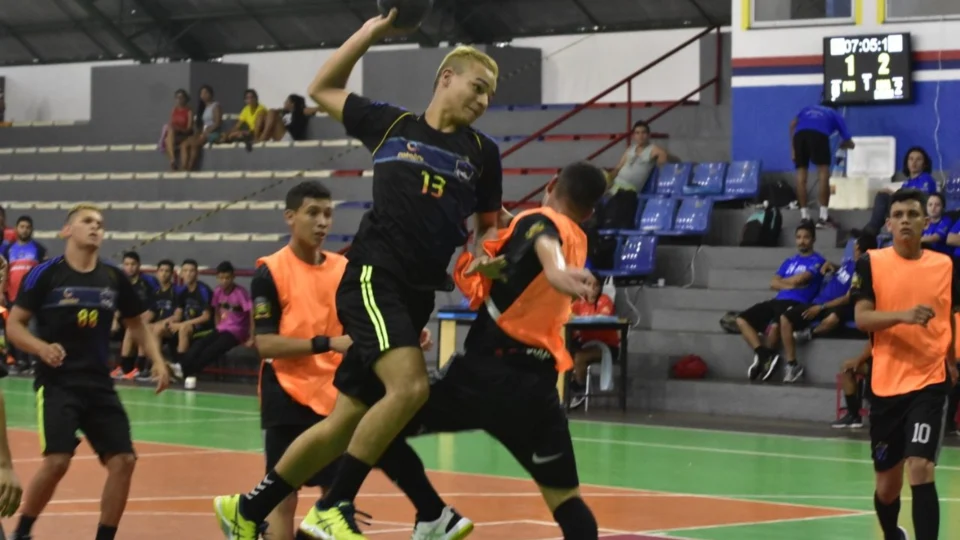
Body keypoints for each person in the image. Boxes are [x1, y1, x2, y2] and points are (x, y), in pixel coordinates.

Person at [211, 9, 504, 539]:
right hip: (373, 277)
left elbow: (486, 227)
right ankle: (334, 504)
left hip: (418, 294)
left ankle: (247, 509)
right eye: (477, 87)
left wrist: (486, 255)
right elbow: (323, 87)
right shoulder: (392, 125)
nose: (483, 101)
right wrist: (374, 32)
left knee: (346, 419)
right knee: (411, 387)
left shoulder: (483, 153)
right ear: (446, 78)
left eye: (490, 95)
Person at [243, 180, 471, 540]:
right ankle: (434, 513)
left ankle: (433, 512)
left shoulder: (344, 268)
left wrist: (401, 338)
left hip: (334, 393)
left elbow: (369, 319)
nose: (322, 222)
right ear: (290, 217)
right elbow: (267, 344)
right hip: (286, 394)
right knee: (282, 496)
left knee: (334, 500)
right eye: (312, 213)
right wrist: (330, 342)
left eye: (328, 214)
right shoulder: (269, 272)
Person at [399, 162, 608, 540]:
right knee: (567, 502)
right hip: (536, 391)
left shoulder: (542, 222)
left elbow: (546, 250)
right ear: (590, 211)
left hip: (484, 376)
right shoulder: (577, 235)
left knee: (380, 424)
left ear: (551, 183)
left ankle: (430, 512)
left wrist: (559, 274)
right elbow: (523, 231)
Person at [5, 204, 172, 540]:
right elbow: (14, 325)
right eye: (87, 221)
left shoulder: (113, 278)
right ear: (68, 230)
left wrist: (157, 359)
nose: (96, 227)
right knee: (57, 462)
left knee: (124, 461)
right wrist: (40, 347)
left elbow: (135, 323)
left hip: (99, 385)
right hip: (57, 384)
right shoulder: (45, 274)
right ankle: (22, 531)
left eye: (100, 223)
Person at [849, 188, 958, 540]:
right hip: (885, 384)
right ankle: (893, 534)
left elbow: (951, 316)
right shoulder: (871, 263)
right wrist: (904, 316)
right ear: (888, 224)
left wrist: (953, 360)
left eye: (913, 214)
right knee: (886, 488)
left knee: (921, 468)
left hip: (929, 380)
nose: (906, 221)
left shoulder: (944, 265)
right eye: (899, 215)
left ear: (926, 222)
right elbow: (863, 319)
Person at [778, 233, 876, 383]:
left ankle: (810, 333)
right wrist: (832, 265)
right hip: (819, 302)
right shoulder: (850, 263)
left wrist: (821, 307)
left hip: (835, 305)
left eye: (855, 246)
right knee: (785, 318)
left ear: (858, 249)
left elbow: (848, 298)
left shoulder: (862, 271)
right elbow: (843, 271)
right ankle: (792, 365)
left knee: (832, 319)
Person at [735, 223, 826, 381]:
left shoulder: (818, 260)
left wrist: (785, 283)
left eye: (806, 237)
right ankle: (763, 355)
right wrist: (791, 283)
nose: (801, 241)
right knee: (741, 320)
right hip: (778, 300)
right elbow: (773, 283)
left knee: (776, 326)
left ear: (813, 239)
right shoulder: (789, 261)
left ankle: (771, 360)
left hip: (797, 302)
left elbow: (802, 279)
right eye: (798, 237)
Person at [172, 261, 250, 390]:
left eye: (227, 278)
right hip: (222, 328)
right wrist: (217, 326)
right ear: (217, 278)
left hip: (237, 332)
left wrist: (251, 336)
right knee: (199, 344)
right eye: (221, 278)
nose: (224, 281)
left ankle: (184, 370)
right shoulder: (218, 291)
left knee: (211, 350)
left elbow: (251, 313)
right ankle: (181, 368)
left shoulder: (240, 293)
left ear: (233, 277)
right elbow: (216, 311)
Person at [789, 102, 855, 227]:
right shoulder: (835, 114)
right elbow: (849, 142)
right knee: (823, 172)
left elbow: (792, 125)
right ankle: (823, 216)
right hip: (818, 136)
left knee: (801, 175)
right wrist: (845, 144)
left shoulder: (807, 108)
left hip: (799, 136)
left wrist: (793, 150)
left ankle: (804, 216)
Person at [111, 251, 159, 382]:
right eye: (126, 264)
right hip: (128, 317)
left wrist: (148, 314)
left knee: (134, 328)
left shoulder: (149, 281)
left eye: (133, 264)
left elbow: (157, 302)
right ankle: (125, 368)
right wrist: (114, 320)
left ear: (139, 265)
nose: (130, 267)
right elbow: (117, 304)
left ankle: (137, 368)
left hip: (148, 316)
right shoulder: (122, 282)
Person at [832, 342, 871, 429]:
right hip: (876, 361)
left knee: (848, 366)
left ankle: (854, 416)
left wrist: (859, 360)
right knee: (846, 368)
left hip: (887, 364)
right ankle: (853, 415)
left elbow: (871, 347)